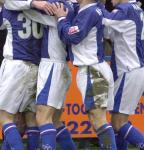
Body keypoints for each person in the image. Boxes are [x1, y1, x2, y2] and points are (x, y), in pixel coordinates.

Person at [5, 0, 77, 149]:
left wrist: (32, 3)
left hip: (52, 65)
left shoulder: (56, 6)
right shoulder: (70, 6)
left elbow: (11, 3)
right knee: (54, 122)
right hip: (55, 66)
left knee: (41, 118)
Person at [51, 0, 117, 149]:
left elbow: (73, 36)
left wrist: (61, 18)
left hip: (92, 70)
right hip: (95, 68)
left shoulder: (90, 11)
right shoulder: (89, 9)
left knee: (98, 120)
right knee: (97, 121)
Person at [102, 0, 144, 149]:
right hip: (136, 69)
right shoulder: (136, 9)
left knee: (118, 123)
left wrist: (98, 4)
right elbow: (108, 31)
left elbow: (101, 19)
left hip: (129, 71)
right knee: (118, 121)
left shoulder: (125, 9)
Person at [0, 1, 43, 149]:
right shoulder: (41, 8)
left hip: (16, 65)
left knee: (4, 116)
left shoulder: (9, 8)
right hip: (37, 66)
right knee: (31, 118)